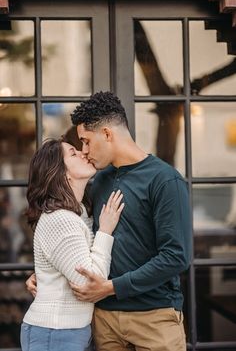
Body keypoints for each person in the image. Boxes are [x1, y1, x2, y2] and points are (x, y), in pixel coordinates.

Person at [27, 91, 191, 351]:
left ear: (106, 134)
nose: (84, 150)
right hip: (103, 320)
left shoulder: (164, 180)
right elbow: (79, 240)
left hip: (154, 317)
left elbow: (176, 256)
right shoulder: (99, 181)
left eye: (86, 141)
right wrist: (48, 273)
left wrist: (111, 287)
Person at [21, 138, 124, 351]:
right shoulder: (60, 219)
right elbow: (89, 282)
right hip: (54, 332)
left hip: (67, 331)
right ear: (61, 172)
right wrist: (105, 231)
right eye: (73, 153)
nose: (83, 153)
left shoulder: (78, 213)